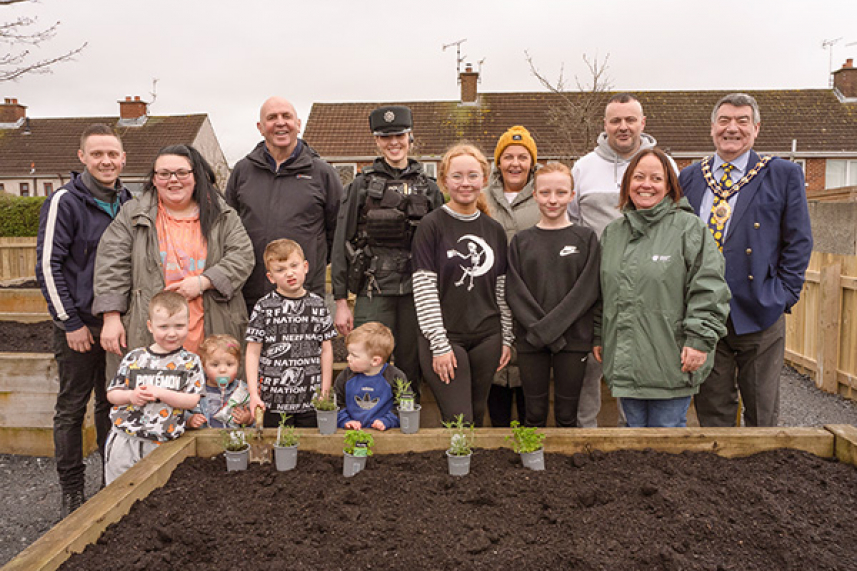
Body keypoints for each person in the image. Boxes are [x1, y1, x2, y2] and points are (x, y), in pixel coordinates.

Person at [679, 93, 813, 427]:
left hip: (759, 309)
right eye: (724, 120)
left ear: (755, 128)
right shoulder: (691, 177)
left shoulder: (781, 173)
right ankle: (721, 476)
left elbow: (798, 241)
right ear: (712, 128)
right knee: (713, 410)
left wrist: (783, 295)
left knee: (762, 412)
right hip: (704, 314)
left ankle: (764, 476)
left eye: (742, 121)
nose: (732, 129)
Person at [35, 124, 132, 517]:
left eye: (112, 154)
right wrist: (69, 322)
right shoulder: (65, 200)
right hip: (78, 326)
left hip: (117, 325)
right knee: (72, 408)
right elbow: (47, 265)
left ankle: (110, 480)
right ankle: (72, 489)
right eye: (97, 155)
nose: (106, 161)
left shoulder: (129, 201)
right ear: (82, 158)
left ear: (123, 158)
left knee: (111, 405)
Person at [594, 148, 730, 428]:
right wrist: (599, 334)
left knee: (666, 446)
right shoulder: (613, 233)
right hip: (625, 361)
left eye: (656, 178)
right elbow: (601, 293)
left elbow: (709, 290)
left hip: (672, 360)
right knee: (630, 438)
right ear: (627, 183)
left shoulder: (689, 229)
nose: (646, 184)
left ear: (669, 186)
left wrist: (699, 341)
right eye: (639, 177)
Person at [569, 93, 678, 428]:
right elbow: (573, 224)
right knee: (590, 367)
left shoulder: (664, 165)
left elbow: (674, 221)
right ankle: (586, 436)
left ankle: (626, 438)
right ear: (605, 125)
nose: (623, 127)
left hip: (644, 286)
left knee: (633, 363)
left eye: (630, 119)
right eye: (616, 120)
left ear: (643, 123)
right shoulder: (583, 168)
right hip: (594, 287)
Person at [331, 106, 443, 402]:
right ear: (377, 141)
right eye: (386, 137)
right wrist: (341, 301)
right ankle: (362, 421)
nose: (394, 142)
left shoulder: (429, 187)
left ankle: (408, 421)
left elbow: (443, 244)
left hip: (416, 289)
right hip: (374, 288)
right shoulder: (360, 185)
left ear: (410, 137)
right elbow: (342, 240)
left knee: (411, 364)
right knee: (364, 359)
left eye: (400, 136)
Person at [412, 143, 513, 426]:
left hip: (487, 336)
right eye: (457, 176)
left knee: (478, 413)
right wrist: (439, 343)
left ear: (483, 179)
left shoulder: (493, 229)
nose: (465, 183)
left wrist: (506, 337)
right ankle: (456, 469)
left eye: (472, 175)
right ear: (444, 181)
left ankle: (471, 469)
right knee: (459, 418)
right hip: (446, 336)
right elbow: (424, 290)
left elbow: (501, 289)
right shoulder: (431, 226)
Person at [226, 96, 343, 313]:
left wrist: (312, 262)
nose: (280, 123)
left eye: (286, 116)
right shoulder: (242, 171)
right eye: (272, 118)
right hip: (251, 292)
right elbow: (229, 228)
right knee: (253, 348)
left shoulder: (322, 173)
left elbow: (336, 231)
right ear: (261, 128)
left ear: (298, 124)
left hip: (304, 294)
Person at [506, 162, 600, 427]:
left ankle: (566, 468)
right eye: (545, 193)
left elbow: (587, 291)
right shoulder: (521, 241)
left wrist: (551, 331)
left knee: (567, 414)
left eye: (560, 193)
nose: (552, 200)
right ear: (534, 194)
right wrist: (542, 333)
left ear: (572, 195)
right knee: (533, 413)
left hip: (573, 341)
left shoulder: (586, 238)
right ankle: (532, 466)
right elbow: (515, 291)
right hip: (531, 339)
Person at [104, 291, 203, 484]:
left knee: (157, 493)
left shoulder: (190, 361)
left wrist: (161, 393)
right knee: (118, 489)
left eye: (179, 326)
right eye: (164, 327)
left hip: (163, 441)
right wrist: (131, 395)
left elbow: (192, 399)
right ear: (150, 326)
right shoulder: (135, 358)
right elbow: (112, 394)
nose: (172, 333)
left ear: (189, 325)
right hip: (126, 439)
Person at [483, 125, 541, 427]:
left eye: (522, 157)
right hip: (490, 294)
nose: (515, 164)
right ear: (498, 161)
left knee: (528, 365)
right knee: (497, 363)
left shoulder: (543, 195)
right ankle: (500, 435)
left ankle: (530, 439)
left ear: (532, 162)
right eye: (508, 157)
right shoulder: (483, 196)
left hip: (532, 294)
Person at [245, 239, 337, 428]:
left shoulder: (318, 305)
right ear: (271, 277)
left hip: (310, 399)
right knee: (275, 450)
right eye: (280, 270)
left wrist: (325, 391)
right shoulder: (264, 307)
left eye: (294, 266)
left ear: (305, 267)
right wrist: (253, 393)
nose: (289, 273)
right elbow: (253, 352)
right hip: (273, 400)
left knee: (310, 452)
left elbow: (326, 350)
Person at [334, 322, 404, 431]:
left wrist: (387, 421)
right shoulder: (346, 377)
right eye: (349, 353)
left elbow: (404, 406)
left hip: (387, 435)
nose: (348, 358)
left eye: (354, 355)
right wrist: (346, 421)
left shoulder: (394, 377)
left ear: (375, 360)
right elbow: (337, 403)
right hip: (351, 434)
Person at [187, 334, 253, 429]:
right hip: (205, 440)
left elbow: (254, 418)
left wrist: (247, 419)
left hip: (234, 440)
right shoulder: (196, 390)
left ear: (238, 365)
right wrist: (190, 420)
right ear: (204, 366)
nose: (222, 370)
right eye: (215, 365)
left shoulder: (243, 390)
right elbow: (183, 414)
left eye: (229, 364)